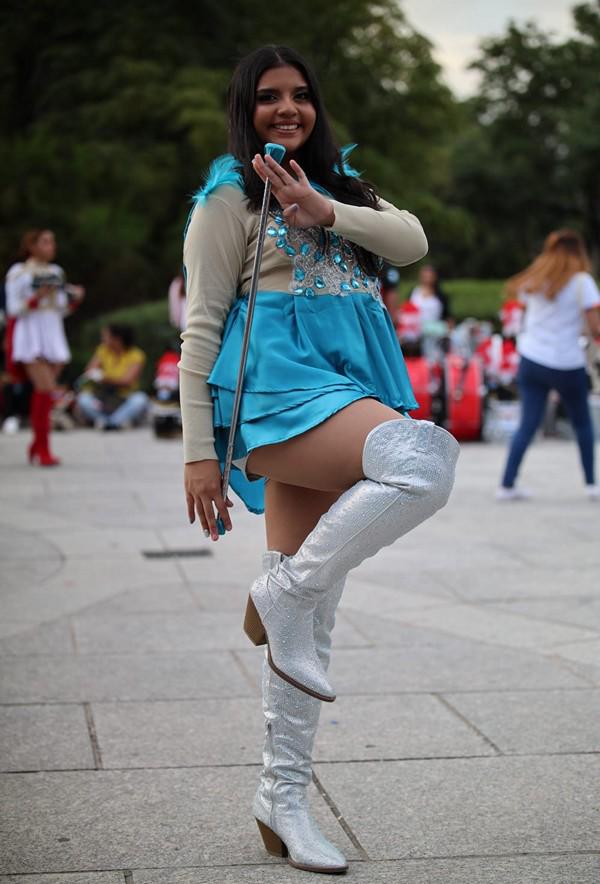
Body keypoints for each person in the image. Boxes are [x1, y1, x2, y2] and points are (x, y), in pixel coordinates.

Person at [180, 45, 459, 875]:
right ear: (245, 108)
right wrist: (199, 454)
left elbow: (409, 241)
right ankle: (281, 591)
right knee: (422, 461)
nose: (287, 109)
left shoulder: (341, 186)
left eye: (300, 96)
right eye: (269, 98)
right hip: (271, 389)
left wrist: (324, 211)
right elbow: (200, 327)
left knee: (315, 615)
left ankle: (283, 799)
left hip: (342, 384)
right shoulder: (227, 199)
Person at [497, 229, 600, 501]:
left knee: (528, 424)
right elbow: (594, 325)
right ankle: (591, 484)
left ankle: (507, 484)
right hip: (567, 361)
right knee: (582, 424)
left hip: (532, 359)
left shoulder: (535, 279)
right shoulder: (582, 281)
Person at [4, 229, 84, 465]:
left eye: (52, 242)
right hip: (30, 333)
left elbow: (60, 308)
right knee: (46, 387)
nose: (51, 246)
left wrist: (75, 299)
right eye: (45, 242)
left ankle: (37, 444)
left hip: (51, 332)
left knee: (45, 392)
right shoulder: (19, 272)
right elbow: (12, 309)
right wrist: (36, 296)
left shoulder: (56, 271)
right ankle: (43, 448)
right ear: (32, 245)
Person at [77, 323, 149, 430]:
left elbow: (127, 382)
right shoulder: (103, 350)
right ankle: (113, 423)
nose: (102, 340)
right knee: (83, 398)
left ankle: (110, 423)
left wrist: (104, 378)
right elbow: (89, 371)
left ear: (117, 339)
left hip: (124, 398)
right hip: (103, 398)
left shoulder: (136, 355)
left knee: (140, 399)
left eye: (105, 337)